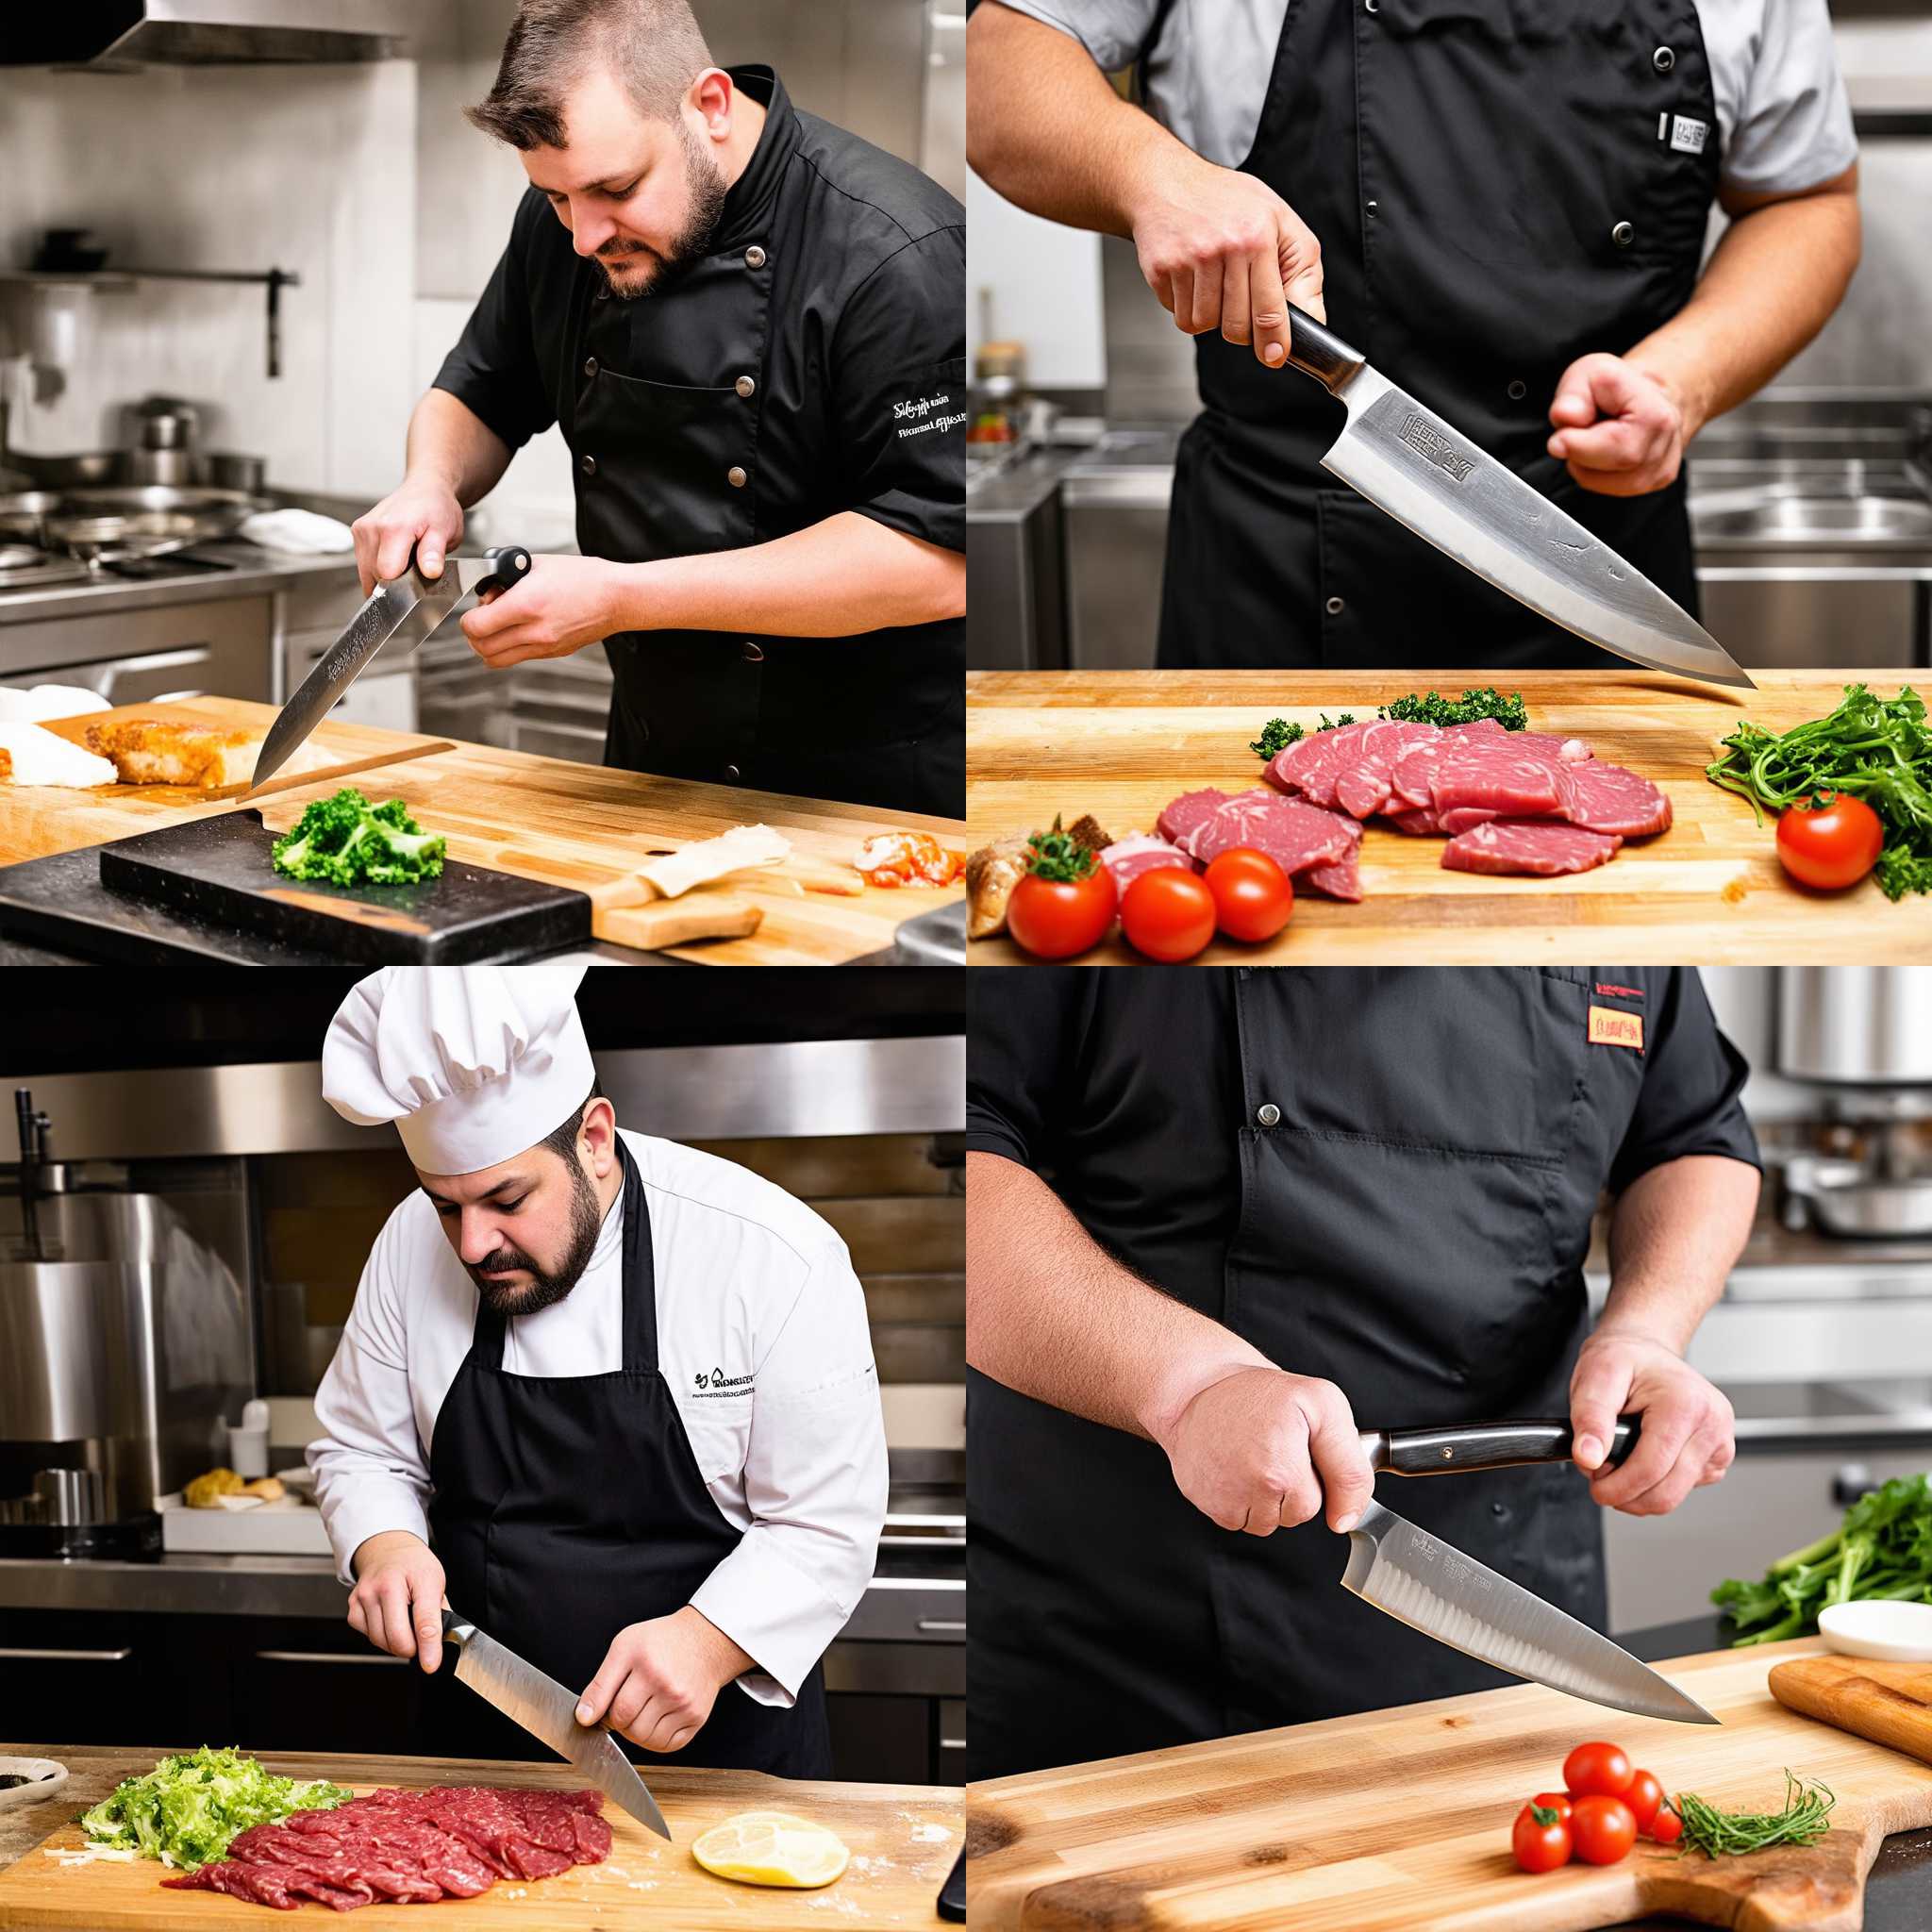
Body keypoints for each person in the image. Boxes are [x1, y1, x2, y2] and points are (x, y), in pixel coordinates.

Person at [965, 968, 1760, 1777]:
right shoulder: (1108, 899)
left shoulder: (1602, 876)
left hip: (1510, 1613)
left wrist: (1650, 1330)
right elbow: (970, 1158)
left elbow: (1694, 1137)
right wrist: (1189, 1385)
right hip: (1134, 1644)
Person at [966, 0, 1861, 672]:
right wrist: (1154, 175)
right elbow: (998, 67)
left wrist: (1683, 378)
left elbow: (1809, 200)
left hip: (1593, 574)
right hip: (1280, 581)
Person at [356, 0, 966, 816]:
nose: (583, 236)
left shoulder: (893, 251)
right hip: (650, 775)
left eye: (615, 189)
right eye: (556, 199)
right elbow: (482, 387)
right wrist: (430, 481)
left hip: (865, 795)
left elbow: (935, 558)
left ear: (708, 106)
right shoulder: (572, 222)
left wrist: (623, 596)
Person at [308, 966, 887, 1776]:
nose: (473, 1244)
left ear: (595, 1139)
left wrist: (710, 1641)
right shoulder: (408, 1241)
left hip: (722, 1764)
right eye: (447, 1204)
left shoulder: (770, 1253)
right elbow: (362, 1447)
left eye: (507, 1200)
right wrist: (386, 1543)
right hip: (478, 1750)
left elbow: (826, 1523)